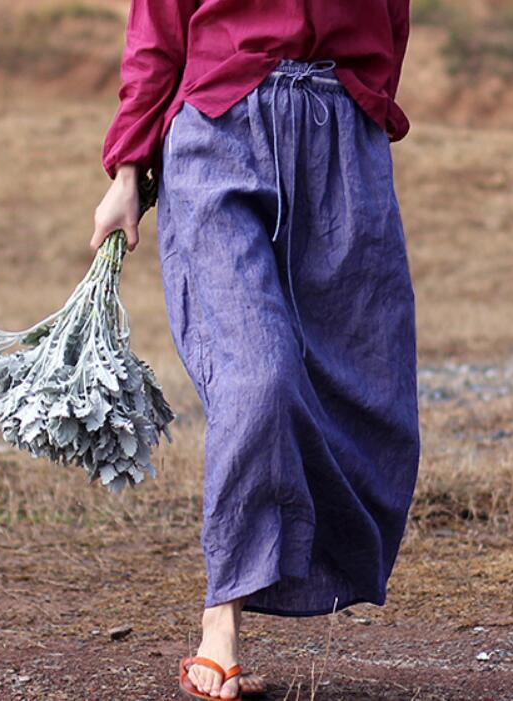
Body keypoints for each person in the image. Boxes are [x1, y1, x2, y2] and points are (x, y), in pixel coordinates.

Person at [91, 2, 420, 699]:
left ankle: (312, 561)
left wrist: (362, 105)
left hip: (340, 141)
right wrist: (127, 171)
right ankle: (223, 619)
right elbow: (156, 32)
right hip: (219, 131)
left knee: (368, 377)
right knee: (259, 374)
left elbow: (392, 18)